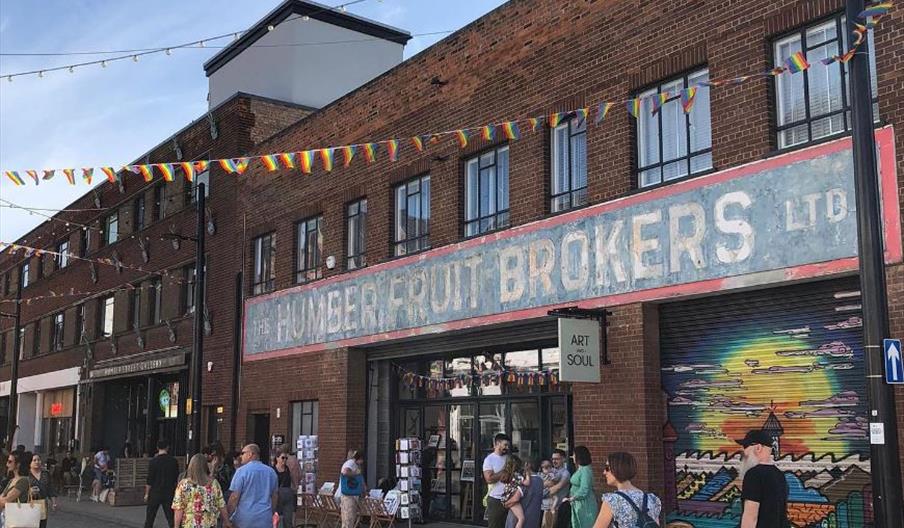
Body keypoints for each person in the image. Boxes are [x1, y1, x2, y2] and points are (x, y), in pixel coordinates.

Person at [593, 452, 661, 528]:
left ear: (617, 468)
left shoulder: (612, 501)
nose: (604, 472)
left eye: (607, 468)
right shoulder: (652, 499)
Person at [736, 430, 788, 528]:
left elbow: (750, 517)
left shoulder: (754, 475)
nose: (744, 452)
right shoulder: (779, 475)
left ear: (758, 448)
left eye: (746, 446)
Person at [172, 453, 232, 528]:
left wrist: (176, 526)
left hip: (190, 524)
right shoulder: (213, 483)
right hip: (209, 524)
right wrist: (227, 521)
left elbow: (179, 508)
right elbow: (221, 504)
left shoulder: (183, 485)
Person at [228, 444, 277, 528]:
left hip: (244, 519)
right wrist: (270, 512)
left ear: (250, 454)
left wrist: (228, 515)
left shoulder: (241, 472)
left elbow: (234, 497)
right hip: (264, 518)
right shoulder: (271, 472)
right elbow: (274, 497)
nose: (240, 456)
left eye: (243, 453)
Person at [145, 439, 179, 528]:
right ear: (167, 447)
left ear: (157, 448)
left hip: (155, 492)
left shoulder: (153, 462)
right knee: (171, 518)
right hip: (169, 492)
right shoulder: (173, 461)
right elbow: (176, 478)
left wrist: (147, 493)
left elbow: (149, 479)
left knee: (150, 518)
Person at [505, 458, 544, 528]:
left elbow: (516, 498)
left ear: (527, 465)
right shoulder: (540, 481)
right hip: (533, 521)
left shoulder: (525, 481)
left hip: (519, 522)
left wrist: (506, 503)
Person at [483, 433, 511, 528]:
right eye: (505, 445)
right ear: (498, 443)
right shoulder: (489, 460)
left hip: (509, 498)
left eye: (508, 445)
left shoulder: (508, 458)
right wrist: (504, 471)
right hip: (496, 499)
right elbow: (489, 479)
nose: (507, 448)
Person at [565, 446, 598, 528]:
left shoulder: (585, 470)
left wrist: (573, 498)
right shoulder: (581, 469)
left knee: (584, 525)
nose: (572, 456)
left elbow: (584, 489)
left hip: (585, 505)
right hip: (578, 504)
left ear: (579, 456)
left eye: (574, 454)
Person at [29, 453, 58, 528]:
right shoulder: (26, 474)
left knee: (42, 524)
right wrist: (30, 491)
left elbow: (51, 488)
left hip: (42, 503)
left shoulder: (45, 473)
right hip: (29, 503)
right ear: (30, 462)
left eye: (38, 460)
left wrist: (54, 502)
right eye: (34, 460)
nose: (37, 462)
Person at [0, 451, 33, 517]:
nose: (7, 464)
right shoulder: (12, 480)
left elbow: (6, 500)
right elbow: (2, 498)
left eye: (10, 462)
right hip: (8, 517)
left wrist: (3, 499)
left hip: (17, 518)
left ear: (18, 464)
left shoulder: (23, 481)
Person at [338, 450, 365, 528]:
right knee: (348, 519)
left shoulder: (355, 464)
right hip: (348, 496)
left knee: (352, 519)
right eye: (361, 460)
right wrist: (355, 474)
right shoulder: (351, 463)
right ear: (359, 458)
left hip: (352, 495)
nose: (362, 462)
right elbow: (345, 472)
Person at [546, 450, 571, 528]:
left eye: (557, 459)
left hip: (559, 508)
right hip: (548, 507)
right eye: (553, 459)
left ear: (563, 459)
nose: (554, 461)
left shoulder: (565, 473)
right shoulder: (551, 472)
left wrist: (543, 492)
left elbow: (557, 488)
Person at [499, 455, 526, 528]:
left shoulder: (506, 474)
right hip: (512, 498)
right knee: (521, 518)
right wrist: (528, 475)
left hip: (505, 497)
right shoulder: (518, 476)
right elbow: (526, 483)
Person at [273, 449, 295, 528]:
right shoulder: (273, 470)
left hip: (287, 494)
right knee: (277, 517)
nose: (284, 460)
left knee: (288, 518)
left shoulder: (287, 469)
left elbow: (291, 480)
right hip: (277, 495)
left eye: (286, 458)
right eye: (283, 458)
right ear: (277, 458)